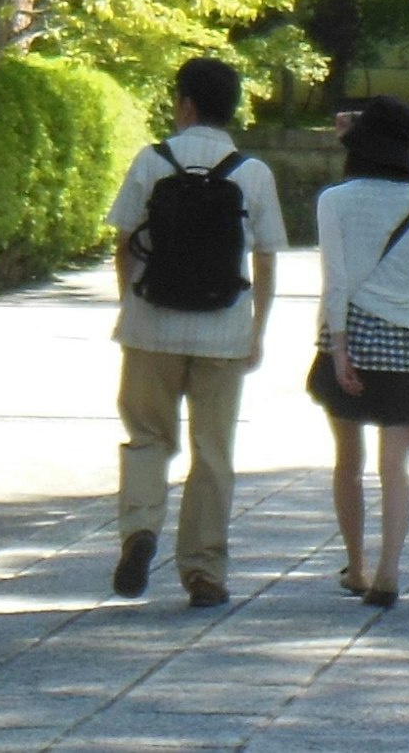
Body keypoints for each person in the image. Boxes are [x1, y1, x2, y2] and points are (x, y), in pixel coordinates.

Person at [107, 56, 284, 607]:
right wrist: (257, 328)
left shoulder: (151, 160)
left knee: (146, 436)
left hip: (151, 323)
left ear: (184, 102)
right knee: (213, 450)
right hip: (223, 328)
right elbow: (267, 257)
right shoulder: (251, 172)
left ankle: (140, 530)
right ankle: (204, 571)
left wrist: (129, 304)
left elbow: (124, 242)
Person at [310, 95, 409, 609]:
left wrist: (341, 351)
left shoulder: (334, 200)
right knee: (397, 468)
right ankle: (389, 571)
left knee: (347, 461)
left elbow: (336, 282)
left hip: (349, 339)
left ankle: (357, 566)